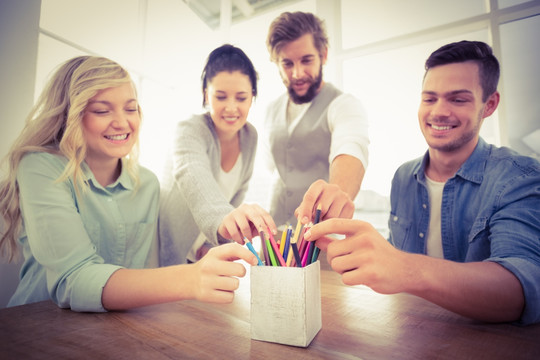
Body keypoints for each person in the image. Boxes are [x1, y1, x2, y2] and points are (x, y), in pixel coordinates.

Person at [302, 41, 540, 325]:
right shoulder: (404, 177)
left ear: (489, 105)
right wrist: (352, 251)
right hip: (412, 334)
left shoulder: (518, 176)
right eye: (429, 98)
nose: (439, 111)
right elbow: (393, 261)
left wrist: (405, 269)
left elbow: (523, 289)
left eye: (458, 99)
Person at [0, 56, 258, 312]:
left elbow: (140, 278)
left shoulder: (146, 184)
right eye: (102, 110)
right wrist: (191, 277)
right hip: (35, 325)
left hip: (114, 331)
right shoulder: (40, 167)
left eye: (131, 108)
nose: (123, 122)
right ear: (70, 114)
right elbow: (73, 279)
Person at [159, 44, 276, 266]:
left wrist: (214, 245)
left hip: (204, 251)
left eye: (241, 98)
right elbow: (194, 177)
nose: (231, 108)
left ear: (252, 97)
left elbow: (235, 196)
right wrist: (225, 220)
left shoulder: (250, 136)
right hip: (169, 252)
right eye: (221, 97)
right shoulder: (189, 130)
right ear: (206, 94)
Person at [264, 11, 369, 227]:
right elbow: (274, 170)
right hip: (273, 237)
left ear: (324, 55)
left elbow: (350, 149)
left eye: (306, 60)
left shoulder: (343, 105)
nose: (297, 73)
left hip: (320, 238)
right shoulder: (271, 110)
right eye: (287, 64)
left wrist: (336, 193)